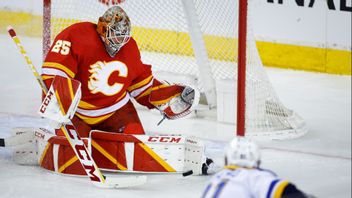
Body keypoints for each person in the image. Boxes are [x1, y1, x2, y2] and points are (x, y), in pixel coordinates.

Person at [41, 5, 198, 138]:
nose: (120, 42)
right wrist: (59, 102)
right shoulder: (76, 36)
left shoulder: (129, 48)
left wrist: (165, 96)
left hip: (117, 111)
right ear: (103, 29)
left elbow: (140, 85)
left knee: (138, 149)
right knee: (72, 159)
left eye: (124, 37)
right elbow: (54, 73)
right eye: (116, 36)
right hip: (78, 113)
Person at [201, 137, 314, 198]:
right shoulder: (254, 176)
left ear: (227, 158)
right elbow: (290, 193)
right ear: (257, 159)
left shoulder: (217, 179)